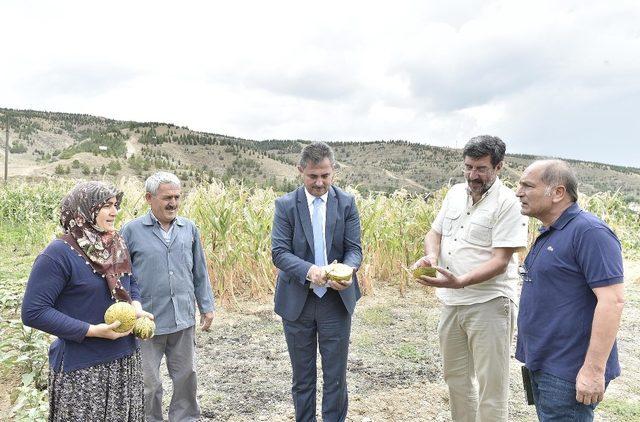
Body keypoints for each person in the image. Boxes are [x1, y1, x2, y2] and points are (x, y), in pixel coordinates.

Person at [412, 135, 528, 421]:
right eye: (468, 167)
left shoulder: (508, 203)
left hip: (490, 302)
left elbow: (501, 261)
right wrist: (431, 257)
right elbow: (434, 233)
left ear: (499, 167)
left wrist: (460, 281)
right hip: (452, 302)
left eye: (481, 169)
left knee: (492, 385)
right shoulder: (454, 193)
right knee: (456, 379)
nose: (473, 175)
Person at [21, 181, 151, 421]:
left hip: (125, 360)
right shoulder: (58, 254)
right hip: (83, 368)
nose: (114, 212)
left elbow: (130, 281)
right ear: (84, 210)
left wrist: (136, 306)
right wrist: (91, 330)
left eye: (115, 205)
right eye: (106, 206)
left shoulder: (115, 243)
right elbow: (33, 311)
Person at [515, 159, 624, 421]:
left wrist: (593, 371)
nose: (518, 192)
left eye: (527, 186)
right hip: (543, 361)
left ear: (558, 193)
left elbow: (613, 301)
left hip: (569, 370)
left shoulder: (589, 232)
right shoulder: (551, 231)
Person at [271, 142, 363, 422]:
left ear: (333, 171)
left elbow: (354, 249)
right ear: (301, 171)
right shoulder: (286, 205)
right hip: (298, 302)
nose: (320, 182)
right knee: (303, 377)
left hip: (336, 302)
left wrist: (347, 270)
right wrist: (311, 271)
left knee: (336, 377)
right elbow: (279, 253)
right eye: (313, 176)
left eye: (325, 175)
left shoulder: (346, 203)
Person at [121, 171, 215, 422]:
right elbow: (122, 276)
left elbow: (199, 270)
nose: (173, 203)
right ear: (149, 198)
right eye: (167, 198)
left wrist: (206, 305)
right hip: (147, 322)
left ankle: (185, 419)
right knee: (148, 384)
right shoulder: (130, 231)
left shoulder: (189, 228)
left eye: (177, 197)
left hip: (182, 317)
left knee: (186, 377)